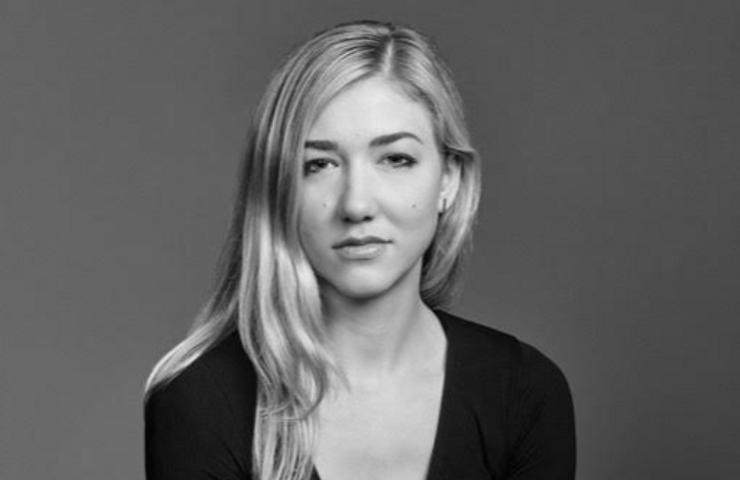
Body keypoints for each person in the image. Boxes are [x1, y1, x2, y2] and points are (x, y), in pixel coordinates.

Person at [144, 20, 575, 480]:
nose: (356, 204)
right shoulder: (201, 401)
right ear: (278, 190)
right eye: (319, 164)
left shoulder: (523, 391)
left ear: (449, 180)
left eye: (396, 159)